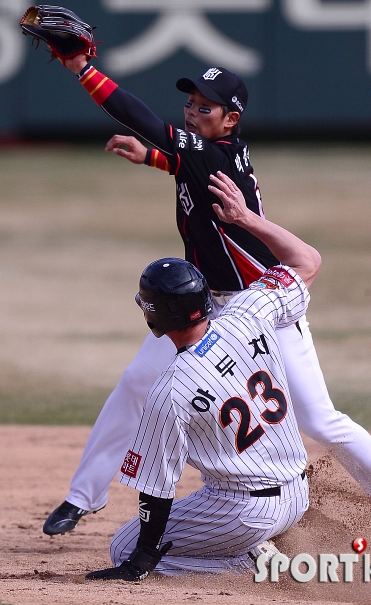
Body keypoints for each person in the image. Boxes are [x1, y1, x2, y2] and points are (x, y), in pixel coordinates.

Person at [41, 54, 371, 552]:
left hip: (263, 305)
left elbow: (139, 117)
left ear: (231, 120)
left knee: (317, 417)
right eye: (190, 103)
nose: (192, 112)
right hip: (205, 310)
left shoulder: (208, 153)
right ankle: (82, 495)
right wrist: (153, 157)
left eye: (206, 108)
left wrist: (81, 67)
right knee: (138, 382)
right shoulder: (210, 152)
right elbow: (185, 157)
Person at [85, 171, 318, 580]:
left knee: (123, 545)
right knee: (210, 493)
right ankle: (259, 547)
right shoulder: (249, 312)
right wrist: (247, 219)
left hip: (245, 513)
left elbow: (156, 491)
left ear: (158, 318)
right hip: (299, 496)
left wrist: (139, 561)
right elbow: (307, 261)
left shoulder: (172, 388)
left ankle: (248, 563)